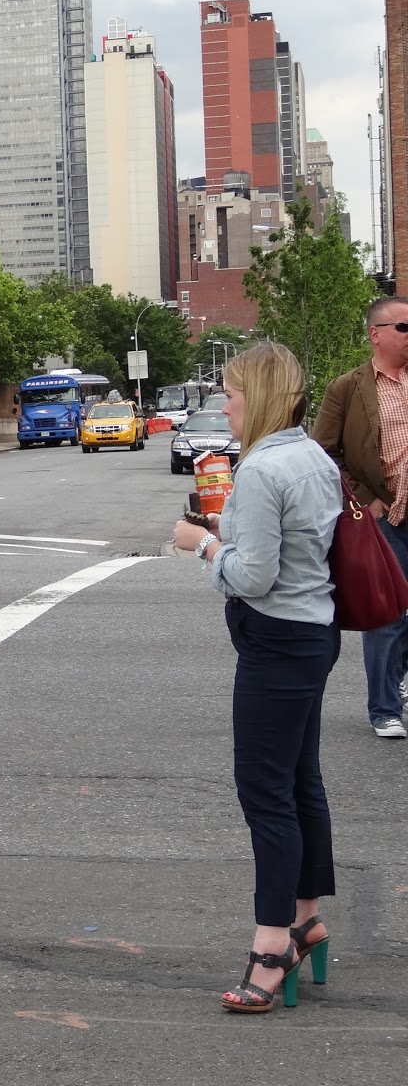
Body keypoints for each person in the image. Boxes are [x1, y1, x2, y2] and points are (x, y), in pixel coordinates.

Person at [172, 342, 341, 1014]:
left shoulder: (265, 470)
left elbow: (252, 576)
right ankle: (305, 920)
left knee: (266, 795)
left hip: (276, 640)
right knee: (301, 783)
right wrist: (230, 531)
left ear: (261, 396)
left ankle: (271, 948)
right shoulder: (312, 458)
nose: (227, 406)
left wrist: (204, 544)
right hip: (314, 632)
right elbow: (291, 547)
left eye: (234, 394)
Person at [313, 294, 408, 738]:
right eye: (403, 328)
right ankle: (384, 707)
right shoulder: (348, 388)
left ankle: (397, 680)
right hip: (385, 520)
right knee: (387, 616)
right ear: (376, 334)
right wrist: (365, 499)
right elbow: (324, 451)